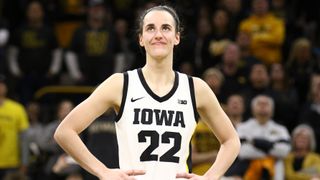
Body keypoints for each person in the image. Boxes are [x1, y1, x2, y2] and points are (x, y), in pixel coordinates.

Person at [54, 5, 240, 180]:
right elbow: (64, 131)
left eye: (166, 28)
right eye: (150, 28)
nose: (158, 34)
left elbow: (231, 140)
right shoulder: (121, 84)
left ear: (177, 37)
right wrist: (103, 172)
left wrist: (211, 176)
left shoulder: (195, 88)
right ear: (141, 39)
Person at [0, 74, 29, 179]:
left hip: (11, 163)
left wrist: (25, 162)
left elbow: (24, 138)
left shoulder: (17, 109)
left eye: (1, 84)